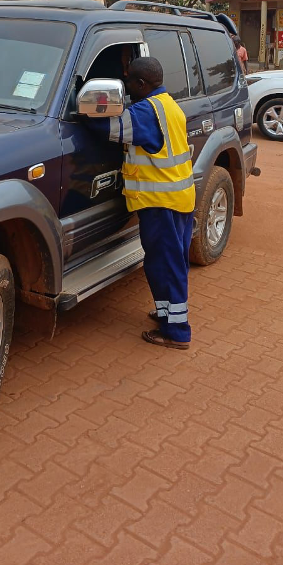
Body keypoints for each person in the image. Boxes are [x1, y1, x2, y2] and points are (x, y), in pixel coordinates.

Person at [85, 57, 196, 349]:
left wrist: (81, 106)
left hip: (161, 203)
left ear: (142, 83)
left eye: (130, 82)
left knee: (165, 264)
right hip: (177, 199)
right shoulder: (167, 104)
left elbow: (108, 129)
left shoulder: (147, 112)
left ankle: (177, 332)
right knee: (169, 262)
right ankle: (166, 314)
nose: (127, 87)